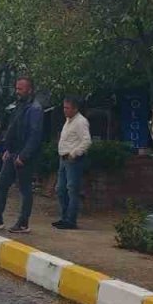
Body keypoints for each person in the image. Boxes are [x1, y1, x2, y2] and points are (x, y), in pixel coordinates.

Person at [0, 77, 44, 234]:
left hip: (24, 156)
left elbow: (34, 136)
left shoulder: (34, 109)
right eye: (16, 88)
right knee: (2, 184)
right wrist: (8, 150)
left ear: (30, 90)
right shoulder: (19, 106)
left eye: (20, 89)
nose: (17, 92)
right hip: (12, 153)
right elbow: (13, 129)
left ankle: (23, 223)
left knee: (25, 189)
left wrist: (24, 156)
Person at [53, 97, 92, 230]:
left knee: (72, 190)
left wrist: (74, 153)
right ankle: (65, 217)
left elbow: (87, 141)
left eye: (68, 108)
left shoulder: (80, 122)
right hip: (63, 159)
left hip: (72, 160)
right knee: (60, 189)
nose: (65, 110)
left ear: (75, 108)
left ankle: (71, 220)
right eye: (64, 107)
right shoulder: (69, 121)